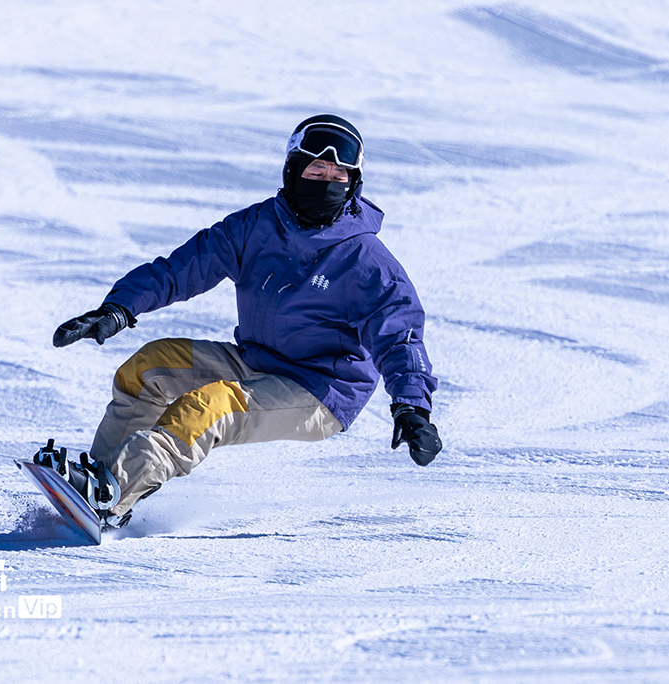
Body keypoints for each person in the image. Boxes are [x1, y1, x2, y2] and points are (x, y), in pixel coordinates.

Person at [47, 114, 441, 528]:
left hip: (320, 388)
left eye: (338, 174)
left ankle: (113, 492)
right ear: (293, 171)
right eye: (316, 169)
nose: (326, 180)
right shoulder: (257, 227)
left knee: (210, 407)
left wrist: (412, 407)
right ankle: (100, 482)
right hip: (259, 359)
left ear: (353, 183)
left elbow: (401, 337)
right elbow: (185, 266)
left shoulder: (365, 259)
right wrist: (119, 308)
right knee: (148, 367)